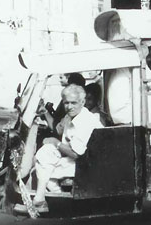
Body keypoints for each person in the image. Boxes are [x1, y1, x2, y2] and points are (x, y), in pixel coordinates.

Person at [32, 84, 103, 212]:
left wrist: (55, 143)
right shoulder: (70, 116)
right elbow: (58, 130)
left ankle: (51, 200)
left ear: (82, 102)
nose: (69, 107)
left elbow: (76, 154)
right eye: (66, 103)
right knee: (43, 155)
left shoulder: (85, 121)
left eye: (73, 103)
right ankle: (48, 198)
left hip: (87, 164)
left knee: (42, 169)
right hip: (73, 159)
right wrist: (45, 112)